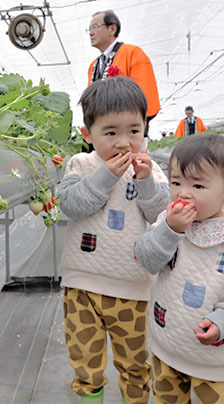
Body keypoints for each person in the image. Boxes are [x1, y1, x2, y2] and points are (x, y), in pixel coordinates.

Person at [135, 134, 224, 404]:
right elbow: (147, 259)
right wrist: (169, 231)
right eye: (176, 182)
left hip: (217, 359)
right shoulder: (168, 223)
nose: (183, 193)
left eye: (198, 185)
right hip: (167, 347)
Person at [57, 76, 169, 404]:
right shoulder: (82, 164)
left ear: (145, 131)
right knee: (86, 362)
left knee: (135, 363)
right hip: (82, 286)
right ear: (87, 135)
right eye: (111, 133)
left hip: (133, 288)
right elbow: (72, 204)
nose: (124, 142)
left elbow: (159, 214)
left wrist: (146, 181)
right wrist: (107, 174)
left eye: (134, 131)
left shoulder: (151, 170)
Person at [87, 10, 160, 126]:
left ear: (112, 29)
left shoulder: (133, 53)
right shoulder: (93, 65)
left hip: (127, 131)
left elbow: (146, 97)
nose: (90, 33)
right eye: (89, 29)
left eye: (95, 27)